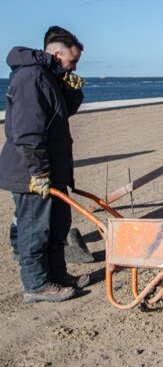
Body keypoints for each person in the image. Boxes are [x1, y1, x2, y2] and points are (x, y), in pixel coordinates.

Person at [0, 26, 91, 303]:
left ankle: (58, 275)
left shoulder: (50, 77)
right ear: (55, 53)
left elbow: (60, 114)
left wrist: (72, 91)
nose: (73, 67)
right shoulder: (30, 78)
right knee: (34, 229)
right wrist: (38, 172)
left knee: (57, 225)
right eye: (71, 62)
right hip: (33, 172)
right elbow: (28, 132)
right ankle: (37, 285)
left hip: (54, 170)